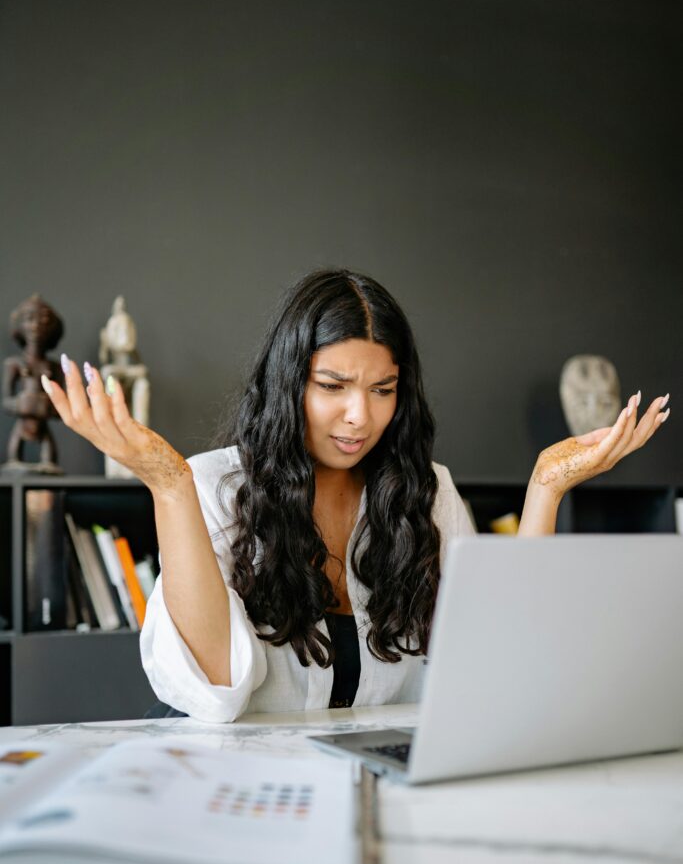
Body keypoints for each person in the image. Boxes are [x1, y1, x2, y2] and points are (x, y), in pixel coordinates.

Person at [41, 269, 671, 722]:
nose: (358, 418)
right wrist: (169, 485)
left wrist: (546, 488)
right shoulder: (213, 485)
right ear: (290, 383)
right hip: (236, 785)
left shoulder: (428, 495)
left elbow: (497, 671)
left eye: (382, 389)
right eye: (333, 385)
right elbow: (217, 691)